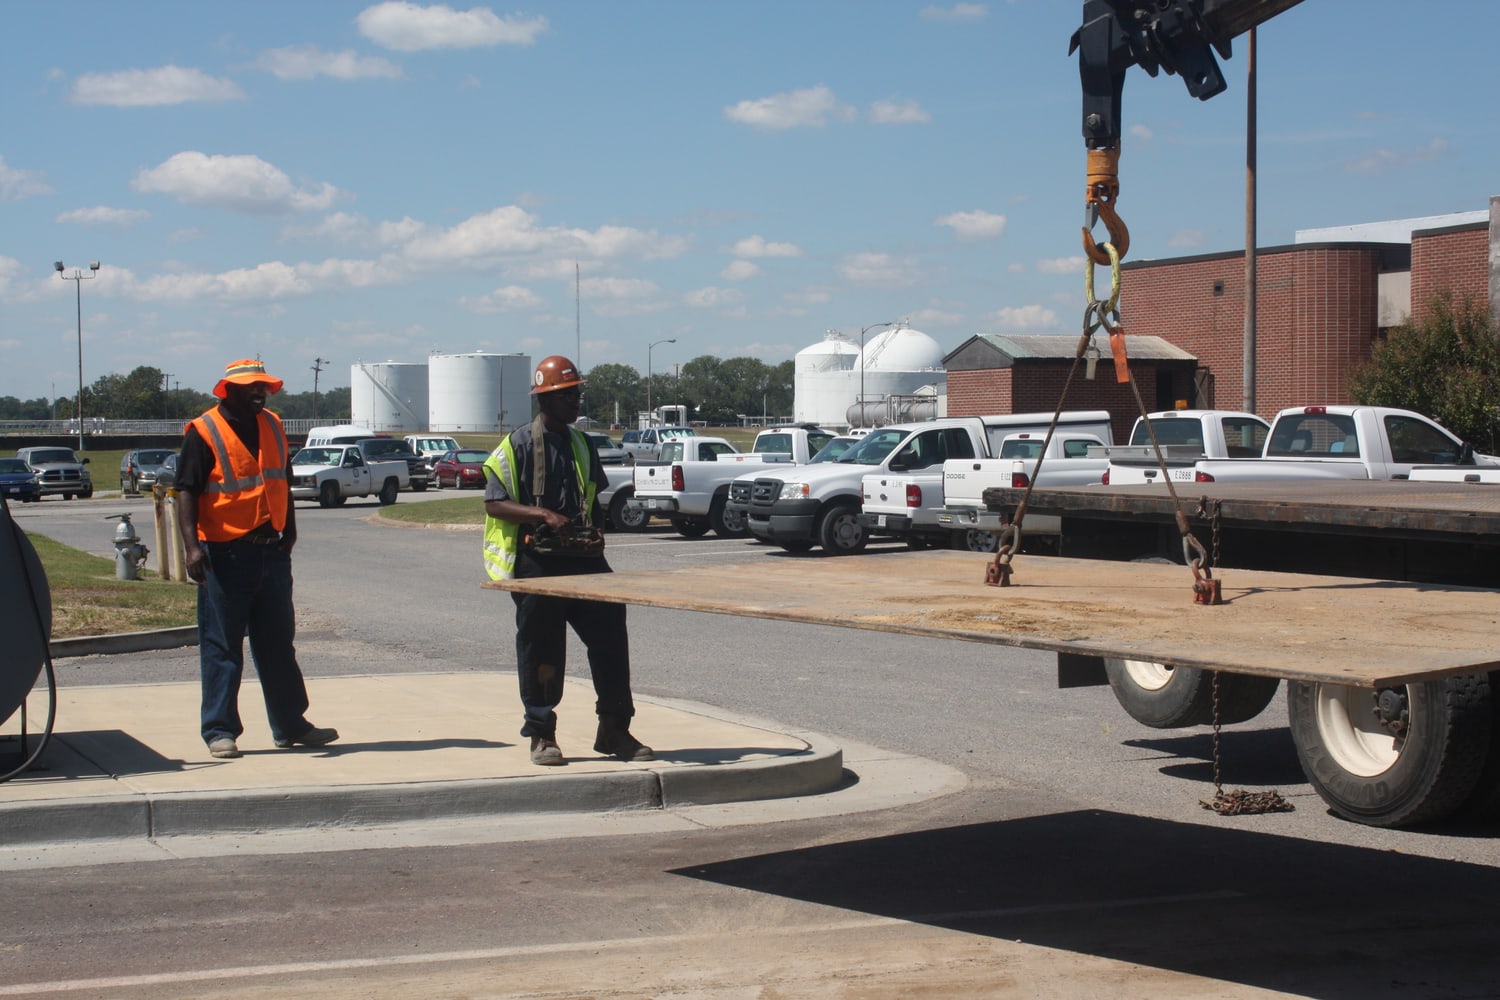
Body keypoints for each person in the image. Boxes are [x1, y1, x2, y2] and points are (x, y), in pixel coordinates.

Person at [482, 355, 652, 766]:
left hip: (581, 558)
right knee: (543, 648)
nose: (576, 401)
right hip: (536, 561)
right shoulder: (518, 444)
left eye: (577, 393)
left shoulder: (582, 443)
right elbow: (495, 503)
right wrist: (543, 515)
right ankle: (542, 734)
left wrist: (596, 534)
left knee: (611, 635)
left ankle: (614, 728)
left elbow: (593, 501)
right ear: (546, 398)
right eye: (568, 395)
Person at [175, 359, 338, 760]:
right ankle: (219, 730)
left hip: (272, 550)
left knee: (278, 643)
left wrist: (292, 529)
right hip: (224, 553)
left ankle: (290, 725)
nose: (258, 393)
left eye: (262, 387)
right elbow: (185, 492)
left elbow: (281, 477)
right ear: (226, 390)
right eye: (250, 387)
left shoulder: (273, 424)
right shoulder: (204, 431)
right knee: (223, 645)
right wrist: (191, 548)